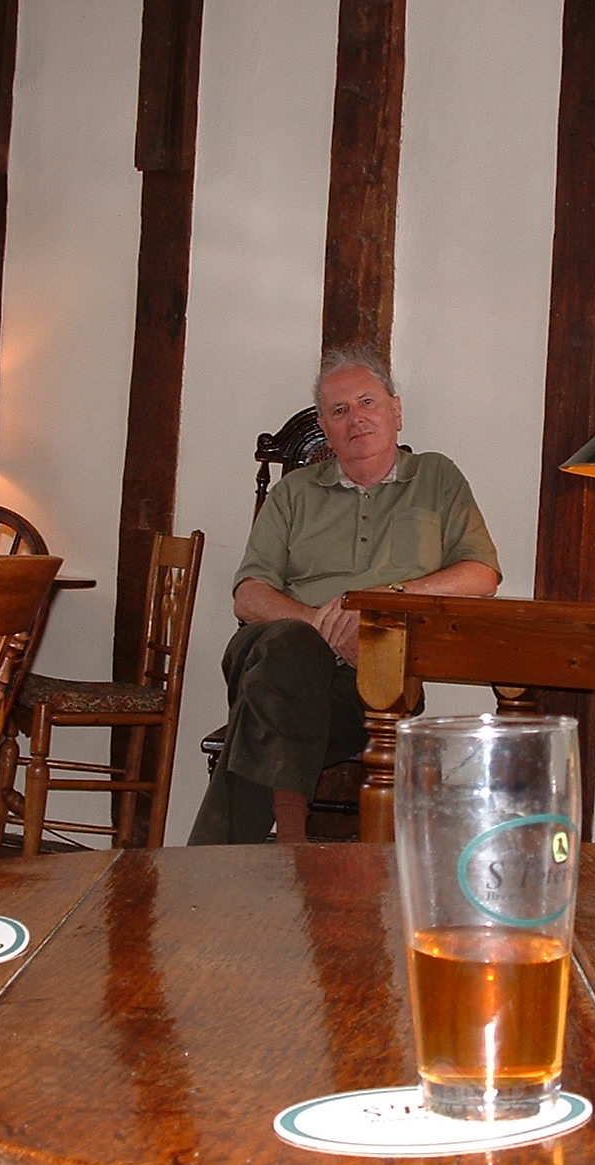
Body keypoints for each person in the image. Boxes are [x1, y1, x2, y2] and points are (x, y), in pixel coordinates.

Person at [187, 348, 501, 844]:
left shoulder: (436, 478)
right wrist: (323, 627)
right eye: (339, 411)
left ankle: (227, 861)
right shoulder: (293, 493)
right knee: (288, 647)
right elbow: (248, 595)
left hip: (375, 684)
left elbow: (481, 574)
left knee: (268, 712)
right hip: (276, 651)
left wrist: (380, 601)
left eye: (367, 403)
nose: (356, 419)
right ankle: (292, 841)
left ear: (396, 410)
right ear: (325, 429)